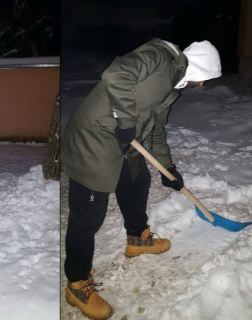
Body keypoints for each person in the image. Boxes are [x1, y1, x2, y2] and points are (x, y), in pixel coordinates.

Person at [61, 38, 222, 319]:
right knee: (88, 215)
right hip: (95, 139)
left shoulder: (172, 86)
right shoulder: (160, 56)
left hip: (124, 143)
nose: (203, 84)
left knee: (137, 181)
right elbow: (115, 74)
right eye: (206, 77)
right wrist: (126, 122)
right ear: (200, 68)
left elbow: (156, 130)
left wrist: (168, 169)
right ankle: (76, 283)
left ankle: (137, 239)